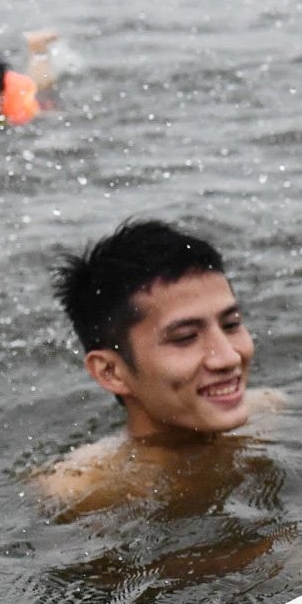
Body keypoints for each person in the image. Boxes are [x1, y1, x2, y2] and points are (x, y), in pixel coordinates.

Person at [35, 219, 280, 514]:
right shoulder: (82, 491)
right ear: (110, 372)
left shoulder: (271, 412)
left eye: (231, 324)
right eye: (185, 338)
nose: (228, 357)